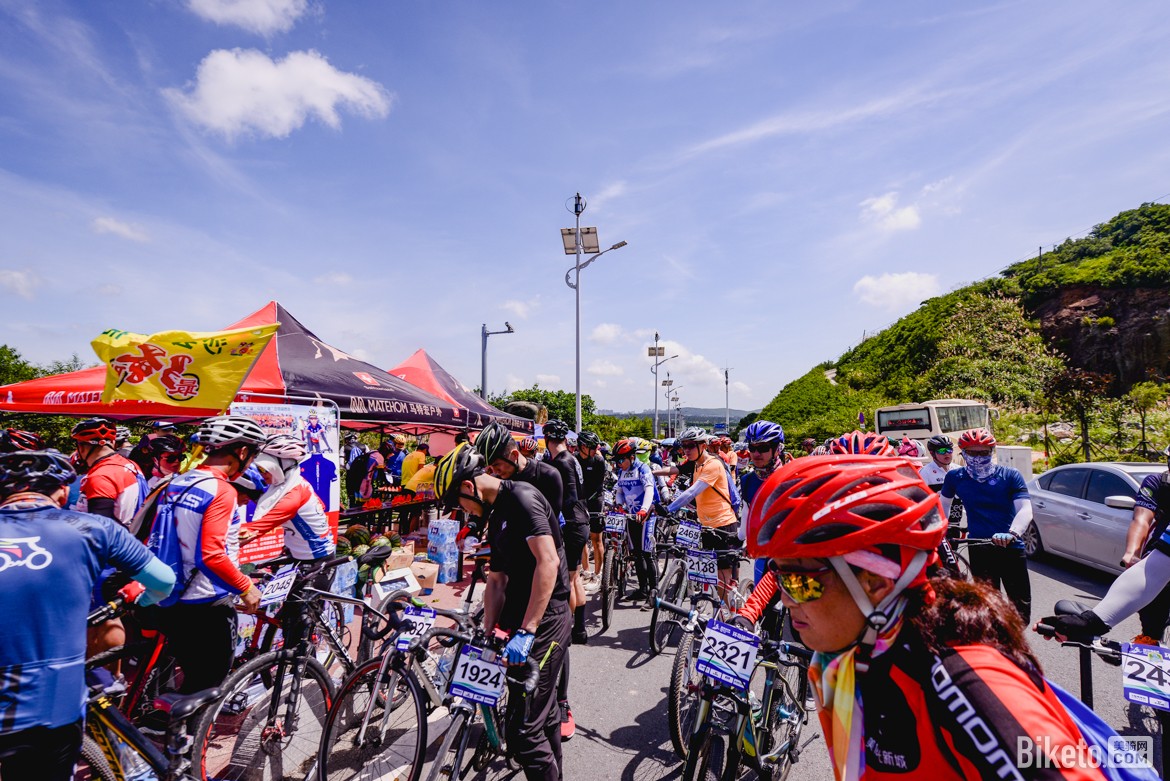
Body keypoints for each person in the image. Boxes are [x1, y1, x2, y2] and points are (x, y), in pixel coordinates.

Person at [744, 454, 1124, 780]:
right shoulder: (853, 652)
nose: (786, 599)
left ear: (875, 582)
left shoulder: (968, 682)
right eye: (781, 577)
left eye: (800, 582)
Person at [0, 450, 175, 781]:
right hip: (52, 707)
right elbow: (164, 581)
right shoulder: (94, 527)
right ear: (63, 491)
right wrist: (143, 601)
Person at [434, 443, 571, 781]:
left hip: (546, 619)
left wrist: (528, 630)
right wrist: (487, 632)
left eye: (458, 503)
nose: (463, 511)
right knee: (542, 716)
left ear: (469, 487)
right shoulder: (496, 514)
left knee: (524, 734)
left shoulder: (523, 498)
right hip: (519, 614)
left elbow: (548, 562)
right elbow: (496, 581)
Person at [146, 415, 265, 694]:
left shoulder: (178, 481)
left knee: (185, 676)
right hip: (205, 601)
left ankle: (163, 715)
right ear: (242, 451)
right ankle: (187, 723)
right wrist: (246, 587)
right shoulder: (221, 490)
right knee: (207, 687)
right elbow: (211, 555)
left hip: (168, 593)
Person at [1050, 445, 1170, 645]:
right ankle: (1150, 644)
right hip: (1159, 552)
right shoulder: (1157, 483)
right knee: (1153, 623)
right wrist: (1132, 552)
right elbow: (1141, 519)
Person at [939, 428, 1033, 622]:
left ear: (992, 452)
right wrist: (940, 530)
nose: (978, 457)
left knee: (1021, 611)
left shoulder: (1010, 475)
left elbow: (1025, 509)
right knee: (987, 607)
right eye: (972, 453)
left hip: (1010, 546)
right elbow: (943, 506)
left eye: (983, 452)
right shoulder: (955, 477)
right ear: (962, 453)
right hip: (979, 548)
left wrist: (1013, 533)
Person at [539, 419, 590, 740]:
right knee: (575, 577)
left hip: (571, 524)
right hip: (581, 521)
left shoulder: (561, 463)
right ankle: (580, 628)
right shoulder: (570, 458)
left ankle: (569, 629)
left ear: (547, 439)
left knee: (568, 581)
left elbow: (565, 500)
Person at [665, 427, 741, 599]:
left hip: (723, 525)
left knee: (722, 579)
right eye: (684, 446)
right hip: (706, 524)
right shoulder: (697, 465)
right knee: (708, 574)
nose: (686, 450)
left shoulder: (713, 464)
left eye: (691, 445)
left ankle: (731, 613)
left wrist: (669, 508)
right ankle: (717, 605)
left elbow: (693, 492)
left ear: (703, 445)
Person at [238, 434, 336, 560]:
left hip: (316, 558)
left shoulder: (292, 498)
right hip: (302, 552)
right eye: (258, 469)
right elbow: (321, 505)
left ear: (281, 466)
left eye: (263, 468)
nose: (261, 473)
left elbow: (253, 531)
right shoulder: (296, 483)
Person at [70, 417, 148, 527]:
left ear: (81, 447)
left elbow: (100, 527)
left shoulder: (100, 476)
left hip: (115, 536)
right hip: (132, 532)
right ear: (112, 442)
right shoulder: (131, 465)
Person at [738, 420, 787, 583]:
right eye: (752, 448)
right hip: (763, 554)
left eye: (763, 448)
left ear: (777, 449)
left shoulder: (790, 477)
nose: (756, 453)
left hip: (789, 555)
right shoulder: (747, 480)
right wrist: (742, 539)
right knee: (760, 598)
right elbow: (747, 512)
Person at [611, 439, 658, 606]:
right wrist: (619, 504)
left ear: (632, 457)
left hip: (646, 515)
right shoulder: (622, 472)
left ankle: (654, 592)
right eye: (616, 460)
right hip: (631, 516)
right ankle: (642, 589)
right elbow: (619, 491)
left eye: (620, 460)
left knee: (647, 553)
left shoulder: (643, 468)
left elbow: (649, 490)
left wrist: (644, 509)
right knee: (636, 554)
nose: (618, 463)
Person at [576, 430, 608, 584]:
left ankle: (598, 573)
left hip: (595, 499)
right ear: (583, 447)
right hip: (580, 500)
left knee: (596, 539)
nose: (597, 449)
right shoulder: (574, 460)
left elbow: (598, 485)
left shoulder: (598, 460)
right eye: (593, 447)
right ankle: (586, 571)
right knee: (582, 538)